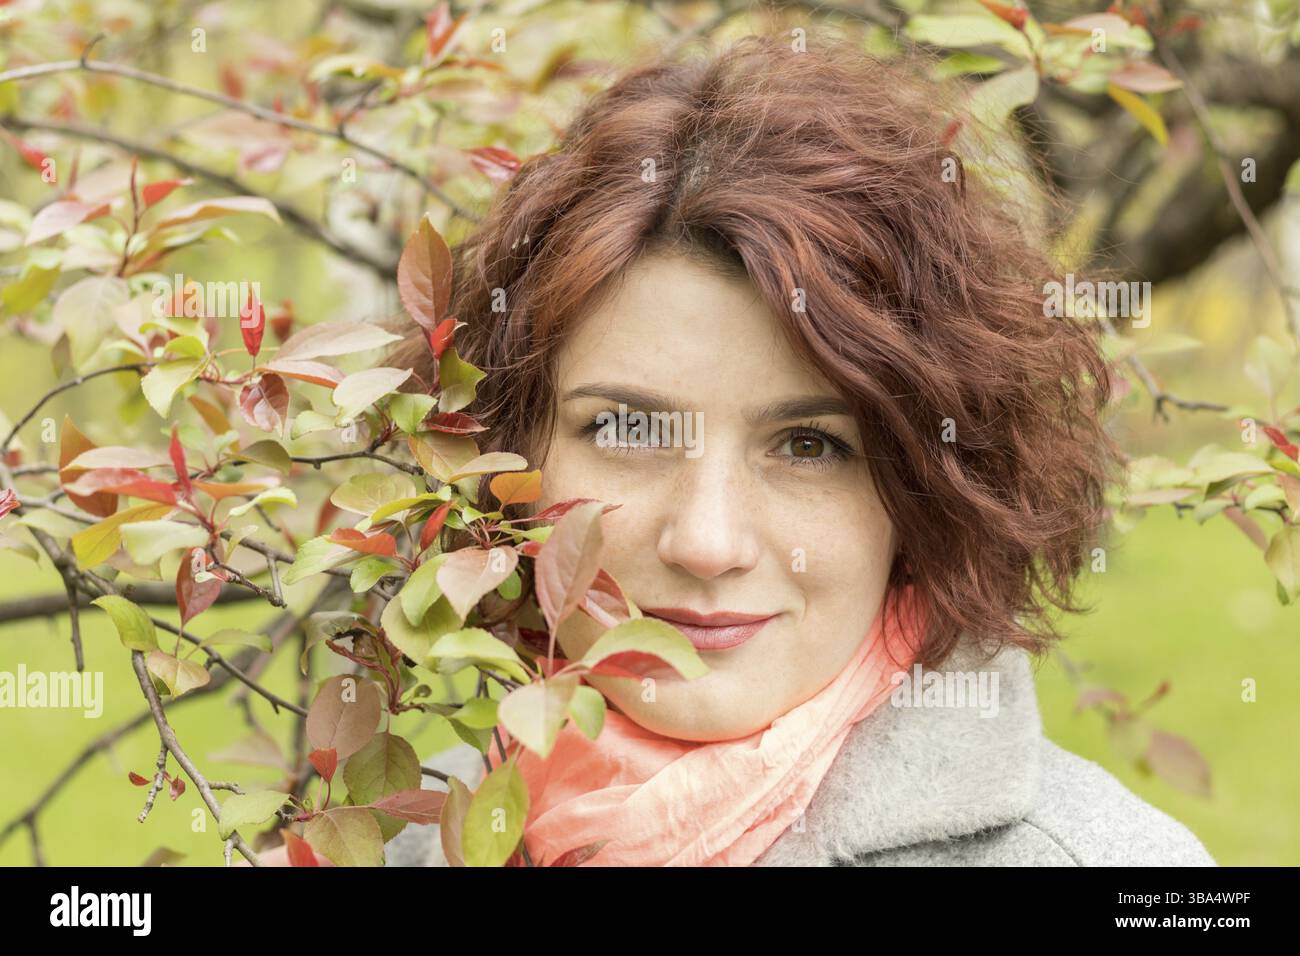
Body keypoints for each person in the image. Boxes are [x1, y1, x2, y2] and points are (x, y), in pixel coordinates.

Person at [285, 32, 1217, 867]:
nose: (708, 541)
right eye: (628, 429)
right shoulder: (398, 839)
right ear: (504, 458)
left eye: (809, 444)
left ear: (927, 489)